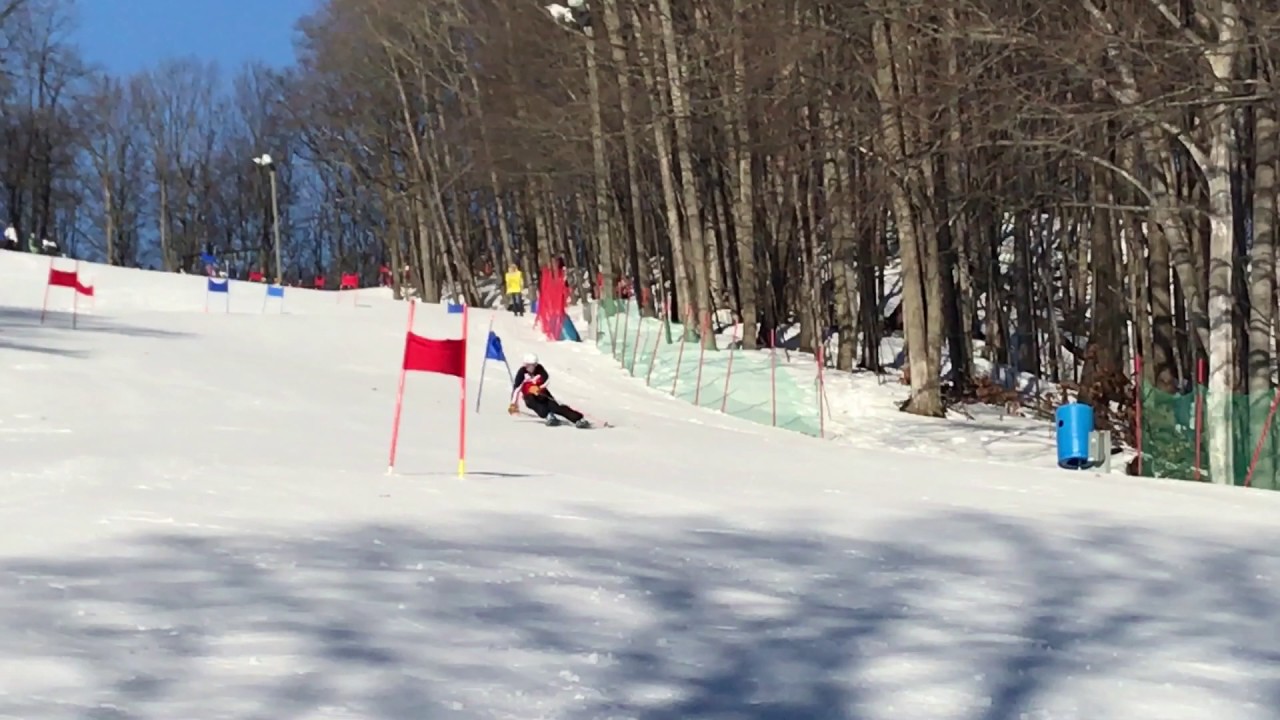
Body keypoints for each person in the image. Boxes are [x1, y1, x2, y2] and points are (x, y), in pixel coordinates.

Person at [508, 352, 591, 428]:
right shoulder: (522, 372)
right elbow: (517, 389)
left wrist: (540, 388)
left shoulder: (540, 369)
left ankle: (578, 419)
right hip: (529, 396)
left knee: (556, 406)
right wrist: (513, 403)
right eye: (528, 365)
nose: (530, 367)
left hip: (542, 393)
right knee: (535, 404)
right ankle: (549, 416)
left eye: (533, 365)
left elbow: (546, 380)